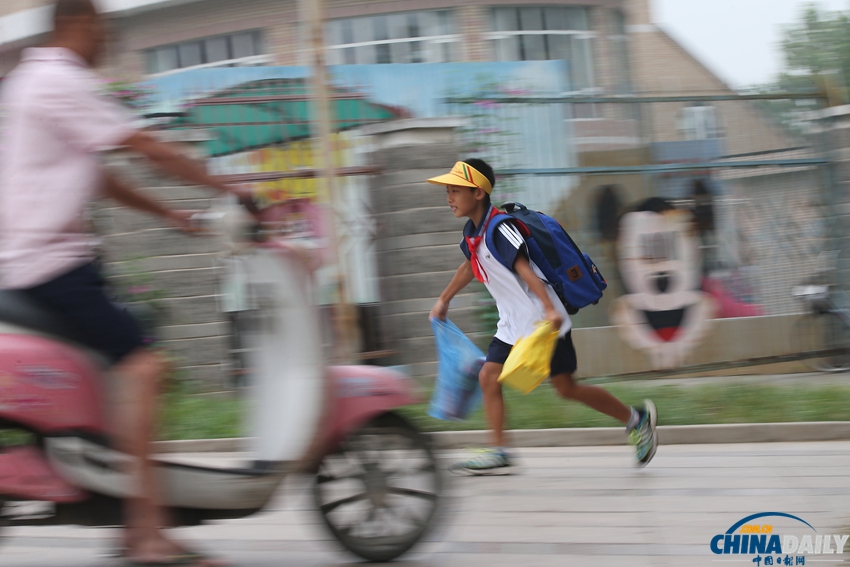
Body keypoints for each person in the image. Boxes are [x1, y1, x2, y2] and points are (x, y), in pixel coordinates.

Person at [0, 1, 242, 565]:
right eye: (103, 30)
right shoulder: (59, 78)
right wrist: (226, 187)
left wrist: (171, 214)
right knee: (145, 367)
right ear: (77, 23)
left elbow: (99, 174)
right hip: (52, 266)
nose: (106, 41)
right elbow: (146, 147)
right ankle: (147, 532)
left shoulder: (28, 80)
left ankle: (119, 504)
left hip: (39, 263)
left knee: (121, 370)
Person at [427, 159, 658, 474]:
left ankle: (637, 420)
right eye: (448, 192)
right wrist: (444, 299)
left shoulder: (500, 228)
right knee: (488, 377)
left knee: (566, 388)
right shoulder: (473, 233)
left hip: (541, 323)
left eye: (455, 191)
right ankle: (499, 451)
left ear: (479, 193)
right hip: (511, 324)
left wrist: (550, 311)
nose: (449, 198)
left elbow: (524, 267)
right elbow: (469, 265)